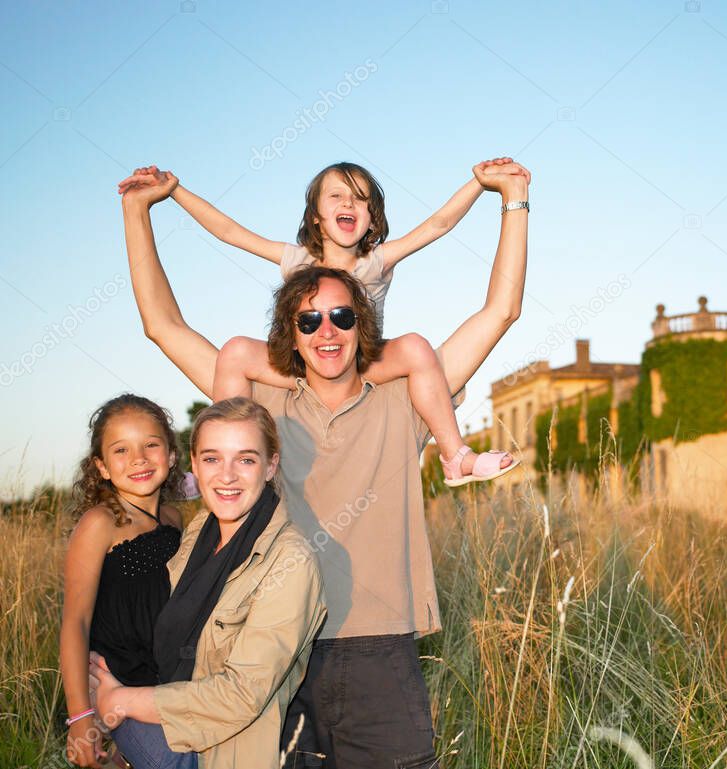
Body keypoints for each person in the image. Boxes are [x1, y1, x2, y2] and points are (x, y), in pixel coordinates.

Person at [120, 158, 528, 768]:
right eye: (308, 320)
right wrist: (139, 208)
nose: (327, 331)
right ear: (289, 331)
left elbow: (501, 311)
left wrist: (514, 202)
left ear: (364, 324)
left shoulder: (408, 396)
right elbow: (162, 325)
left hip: (377, 651)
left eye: (342, 316)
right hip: (272, 647)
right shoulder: (260, 407)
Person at [117, 159, 523, 486]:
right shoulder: (296, 259)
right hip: (298, 369)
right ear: (315, 216)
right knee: (236, 352)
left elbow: (438, 225)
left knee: (417, 349)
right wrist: (175, 191)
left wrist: (480, 184)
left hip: (363, 366)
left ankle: (455, 456)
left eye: (361, 199)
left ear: (373, 219)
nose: (349, 203)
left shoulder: (376, 261)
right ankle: (220, 458)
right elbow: (228, 231)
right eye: (337, 196)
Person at [90, 398, 327, 769]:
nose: (227, 476)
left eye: (246, 459)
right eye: (213, 458)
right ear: (195, 465)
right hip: (169, 711)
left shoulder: (291, 561)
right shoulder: (201, 528)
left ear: (271, 466)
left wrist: (121, 702)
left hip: (223, 752)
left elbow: (241, 694)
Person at [60, 394, 185, 768]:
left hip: (169, 689)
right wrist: (81, 718)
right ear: (100, 466)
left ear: (172, 455)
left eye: (151, 445)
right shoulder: (100, 523)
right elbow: (75, 622)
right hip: (120, 687)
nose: (139, 459)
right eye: (121, 450)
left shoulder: (174, 521)